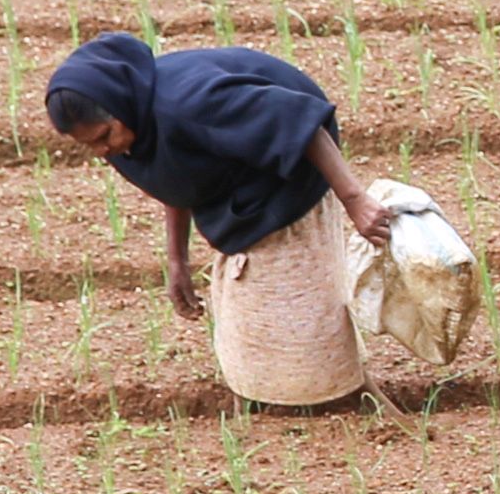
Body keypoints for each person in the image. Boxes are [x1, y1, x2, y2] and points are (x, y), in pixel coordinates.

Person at [43, 30, 399, 409]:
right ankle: (289, 399)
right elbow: (175, 177)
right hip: (235, 176)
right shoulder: (134, 127)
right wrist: (177, 261)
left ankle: (343, 397)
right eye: (89, 146)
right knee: (259, 321)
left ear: (119, 107)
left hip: (290, 167)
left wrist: (354, 199)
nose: (103, 151)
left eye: (104, 136)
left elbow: (299, 122)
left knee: (300, 312)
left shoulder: (192, 103)